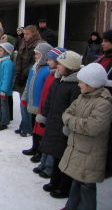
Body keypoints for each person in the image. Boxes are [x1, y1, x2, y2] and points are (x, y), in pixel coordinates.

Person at [59, 63, 112, 210]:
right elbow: (67, 112)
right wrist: (73, 120)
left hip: (90, 153)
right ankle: (71, 206)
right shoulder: (83, 97)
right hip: (78, 149)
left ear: (92, 84)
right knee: (76, 181)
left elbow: (92, 127)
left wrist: (71, 121)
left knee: (87, 186)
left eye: (81, 82)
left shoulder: (103, 103)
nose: (79, 84)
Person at [36, 51, 82, 199]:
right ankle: (54, 181)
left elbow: (75, 109)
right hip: (53, 122)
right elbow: (49, 99)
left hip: (64, 126)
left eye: (61, 64)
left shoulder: (75, 86)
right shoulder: (58, 80)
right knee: (56, 155)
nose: (58, 66)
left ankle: (64, 187)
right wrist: (44, 114)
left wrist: (68, 126)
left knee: (64, 157)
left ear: (69, 67)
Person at [32, 47, 67, 179]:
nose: (48, 62)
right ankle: (43, 163)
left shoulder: (56, 77)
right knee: (46, 139)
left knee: (52, 142)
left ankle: (49, 167)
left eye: (51, 60)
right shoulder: (51, 74)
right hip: (46, 110)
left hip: (54, 115)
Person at [20, 43, 53, 157]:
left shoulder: (47, 70)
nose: (35, 56)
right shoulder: (33, 68)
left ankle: (40, 151)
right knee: (35, 127)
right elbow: (28, 84)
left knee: (40, 129)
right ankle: (34, 147)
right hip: (33, 103)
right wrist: (25, 97)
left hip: (41, 106)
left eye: (38, 54)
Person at [13, 25, 42, 135]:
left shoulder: (37, 45)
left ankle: (28, 127)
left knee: (27, 103)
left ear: (33, 34)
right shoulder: (23, 43)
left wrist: (24, 73)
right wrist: (18, 72)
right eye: (24, 33)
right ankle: (24, 124)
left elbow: (34, 62)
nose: (25, 36)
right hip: (22, 75)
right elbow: (19, 58)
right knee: (22, 102)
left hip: (29, 76)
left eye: (27, 34)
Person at [93, 29, 112, 179]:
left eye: (106, 41)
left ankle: (108, 166)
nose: (103, 44)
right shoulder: (101, 58)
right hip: (97, 101)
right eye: (103, 41)